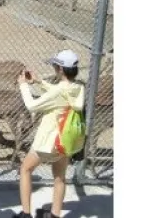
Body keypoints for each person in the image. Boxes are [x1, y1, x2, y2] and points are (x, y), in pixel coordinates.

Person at [12, 50, 86, 218]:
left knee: (25, 169)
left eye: (55, 65)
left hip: (49, 142)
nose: (53, 67)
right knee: (60, 177)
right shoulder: (78, 88)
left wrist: (23, 84)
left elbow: (32, 105)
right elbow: (61, 92)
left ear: (60, 69)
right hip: (66, 141)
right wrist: (39, 81)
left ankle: (25, 214)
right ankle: (54, 215)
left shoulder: (59, 91)